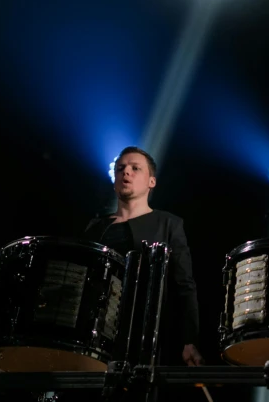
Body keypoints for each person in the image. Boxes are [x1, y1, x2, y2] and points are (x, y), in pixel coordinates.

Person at [85, 146, 203, 368]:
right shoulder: (96, 227)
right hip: (96, 337)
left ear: (152, 182)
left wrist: (190, 340)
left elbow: (184, 285)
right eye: (121, 168)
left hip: (143, 341)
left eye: (135, 168)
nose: (126, 172)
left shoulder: (168, 224)